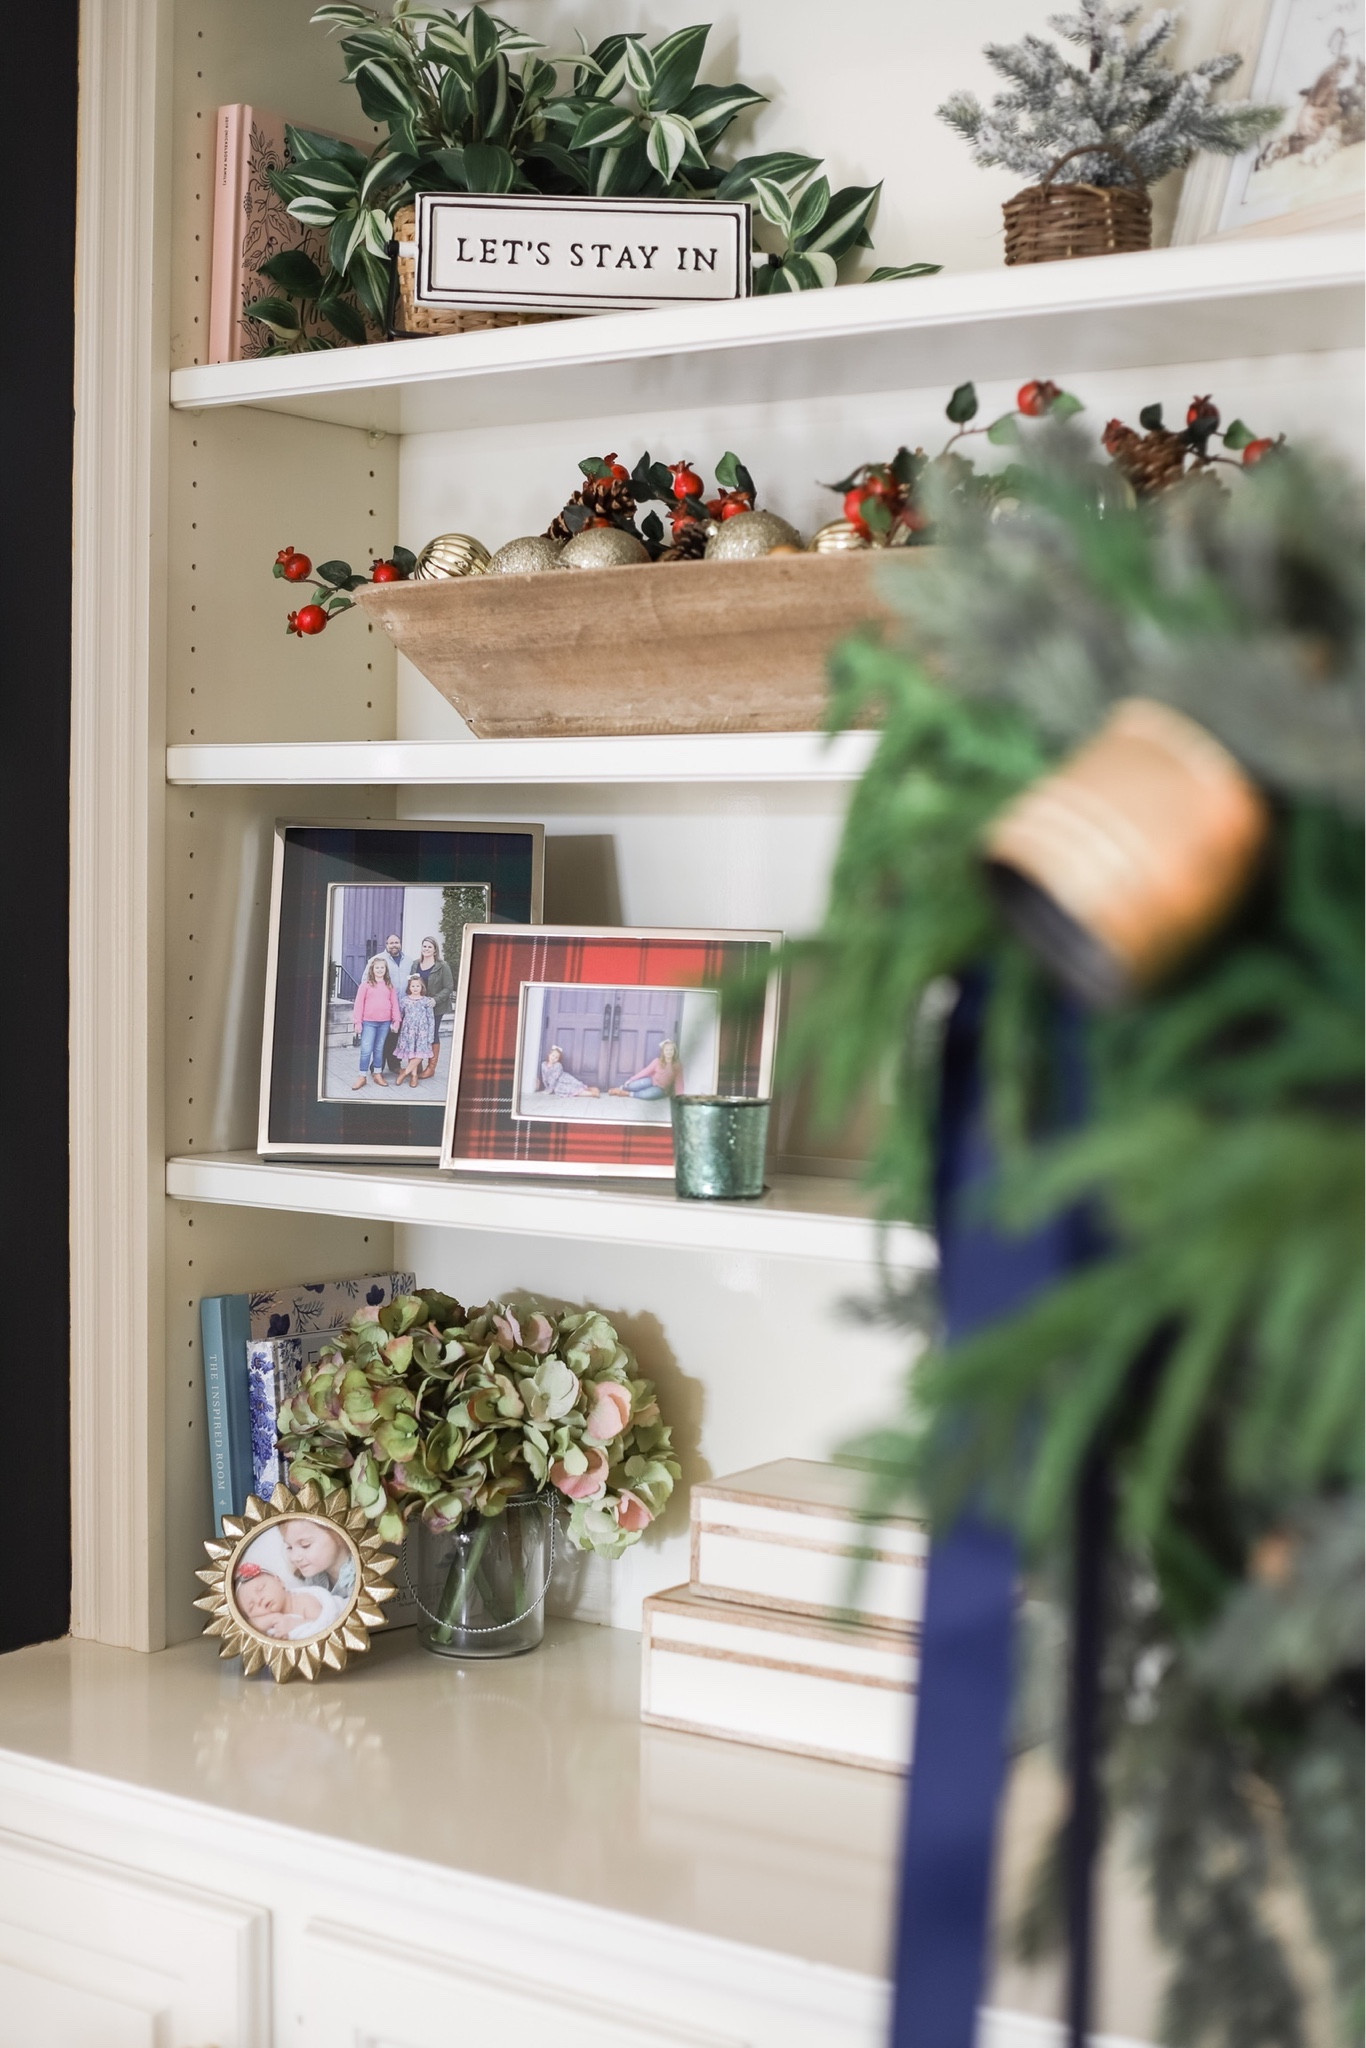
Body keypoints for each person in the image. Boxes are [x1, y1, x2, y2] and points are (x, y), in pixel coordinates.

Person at [234, 1563, 344, 1641]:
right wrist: (274, 1618)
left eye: (261, 1588)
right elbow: (250, 1627)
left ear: (279, 1581)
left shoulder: (303, 1601)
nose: (259, 1600)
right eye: (251, 1606)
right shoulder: (270, 1623)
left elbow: (325, 1625)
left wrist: (293, 1623)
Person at [352, 955, 401, 1090]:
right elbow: (358, 1004)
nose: (379, 970)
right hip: (369, 1022)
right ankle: (362, 1076)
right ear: (372, 970)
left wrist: (396, 1020)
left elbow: (394, 1004)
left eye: (382, 968)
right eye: (377, 968)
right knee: (366, 1049)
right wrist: (357, 1022)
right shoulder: (365, 985)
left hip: (384, 1023)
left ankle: (377, 1074)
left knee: (379, 1049)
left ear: (386, 970)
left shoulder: (390, 986)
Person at [281, 1519, 357, 1604]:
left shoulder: (358, 1575)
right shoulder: (315, 1578)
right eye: (289, 1547)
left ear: (337, 1533)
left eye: (305, 1545)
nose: (294, 1557)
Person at [413, 936, 455, 1082]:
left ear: (435, 949)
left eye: (429, 947)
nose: (426, 949)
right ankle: (417, 1064)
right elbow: (412, 983)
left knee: (432, 1034)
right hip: (418, 1008)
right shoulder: (415, 964)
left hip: (435, 1007)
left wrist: (435, 1000)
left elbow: (449, 987)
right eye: (424, 946)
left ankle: (431, 1067)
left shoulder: (442, 966)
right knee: (417, 1035)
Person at [394, 973, 436, 1089]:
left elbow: (431, 1019)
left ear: (422, 987)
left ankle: (405, 1072)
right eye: (413, 986)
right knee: (411, 1052)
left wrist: (430, 1036)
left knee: (420, 1053)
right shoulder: (404, 1001)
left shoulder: (426, 1001)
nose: (415, 988)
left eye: (418, 986)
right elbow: (400, 1015)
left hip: (422, 1032)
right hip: (408, 1031)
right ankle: (414, 1075)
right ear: (409, 987)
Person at [609, 1039, 683, 1100]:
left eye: (671, 1050)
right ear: (663, 1052)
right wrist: (632, 1079)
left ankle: (627, 1094)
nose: (669, 1052)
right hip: (652, 1080)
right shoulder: (657, 1061)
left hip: (662, 1089)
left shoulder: (677, 1065)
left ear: (674, 1051)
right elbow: (645, 1072)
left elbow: (679, 1081)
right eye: (667, 1050)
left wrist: (679, 1095)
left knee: (647, 1095)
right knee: (633, 1086)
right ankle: (620, 1088)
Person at [380, 933, 408, 1074]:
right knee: (382, 1038)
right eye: (391, 943)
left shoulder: (409, 961)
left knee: (396, 1038)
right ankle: (377, 1067)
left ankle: (395, 1065)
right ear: (386, 945)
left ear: (400, 943)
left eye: (396, 942)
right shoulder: (378, 960)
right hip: (385, 1008)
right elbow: (366, 981)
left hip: (402, 1008)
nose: (394, 945)